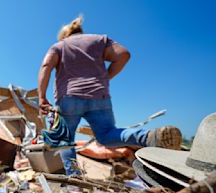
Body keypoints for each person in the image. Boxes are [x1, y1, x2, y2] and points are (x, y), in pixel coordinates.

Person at [38, 16, 182, 175]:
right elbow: (124, 54)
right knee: (107, 135)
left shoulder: (60, 46)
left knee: (65, 140)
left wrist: (42, 96)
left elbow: (46, 65)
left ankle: (75, 180)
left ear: (65, 35)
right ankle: (148, 137)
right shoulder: (99, 40)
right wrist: (105, 77)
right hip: (99, 96)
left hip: (69, 97)